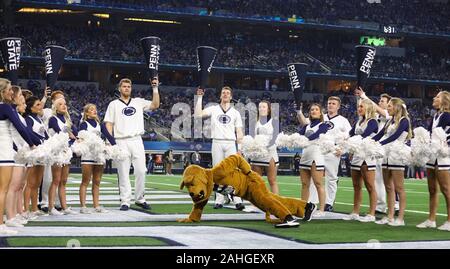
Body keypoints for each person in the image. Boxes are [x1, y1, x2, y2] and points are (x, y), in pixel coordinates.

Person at [104, 77, 160, 211]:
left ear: (131, 88)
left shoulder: (138, 102)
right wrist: (109, 142)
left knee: (141, 170)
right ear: (119, 89)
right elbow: (108, 124)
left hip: (136, 140)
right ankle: (125, 201)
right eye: (124, 86)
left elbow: (155, 105)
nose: (126, 88)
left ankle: (140, 198)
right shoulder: (113, 104)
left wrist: (155, 88)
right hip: (121, 140)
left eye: (128, 86)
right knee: (123, 172)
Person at [194, 86, 245, 210]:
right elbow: (198, 114)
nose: (226, 94)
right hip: (216, 142)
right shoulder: (214, 109)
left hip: (231, 143)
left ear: (231, 97)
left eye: (228, 93)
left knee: (233, 172)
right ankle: (219, 200)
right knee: (217, 172)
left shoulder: (235, 112)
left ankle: (237, 199)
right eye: (223, 93)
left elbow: (239, 132)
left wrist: (240, 149)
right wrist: (200, 97)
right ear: (220, 96)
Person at [297, 97, 351, 211]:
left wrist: (343, 149)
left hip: (332, 151)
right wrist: (299, 112)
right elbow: (306, 124)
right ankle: (312, 202)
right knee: (314, 178)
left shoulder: (343, 120)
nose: (330, 105)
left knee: (331, 177)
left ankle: (329, 203)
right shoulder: (321, 116)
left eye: (333, 103)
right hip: (317, 151)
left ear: (338, 106)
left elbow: (349, 136)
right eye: (329, 103)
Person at [0, 79, 37, 235]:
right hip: (4, 150)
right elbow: (20, 128)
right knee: (4, 189)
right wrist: (32, 144)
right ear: (2, 91)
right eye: (9, 89)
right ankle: (1, 224)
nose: (11, 92)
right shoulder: (5, 108)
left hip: (4, 150)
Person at [373, 97, 412, 226]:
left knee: (399, 188)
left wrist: (380, 143)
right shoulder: (390, 120)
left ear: (396, 107)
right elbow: (380, 134)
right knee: (388, 187)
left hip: (397, 154)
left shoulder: (404, 120)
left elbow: (395, 136)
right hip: (386, 154)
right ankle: (389, 216)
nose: (387, 108)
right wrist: (369, 141)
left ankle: (400, 218)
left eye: (390, 106)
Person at [417, 91, 450, 231]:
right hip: (432, 155)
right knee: (432, 189)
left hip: (442, 156)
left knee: (446, 189)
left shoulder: (448, 116)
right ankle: (431, 219)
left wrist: (445, 145)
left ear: (444, 101)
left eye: (437, 97)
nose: (434, 98)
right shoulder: (436, 115)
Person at [343, 99, 378, 222]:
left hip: (367, 156)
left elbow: (365, 135)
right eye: (358, 107)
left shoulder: (373, 121)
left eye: (362, 106)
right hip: (357, 156)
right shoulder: (358, 122)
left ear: (368, 107)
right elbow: (349, 135)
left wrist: (351, 143)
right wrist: (345, 144)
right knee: (356, 185)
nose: (359, 109)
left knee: (369, 185)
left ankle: (371, 214)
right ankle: (355, 212)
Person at [78, 103, 117, 214]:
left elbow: (109, 136)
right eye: (91, 109)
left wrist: (116, 147)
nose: (94, 111)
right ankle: (83, 206)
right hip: (88, 155)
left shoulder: (100, 124)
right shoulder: (83, 124)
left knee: (97, 181)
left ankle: (96, 205)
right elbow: (81, 137)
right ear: (86, 113)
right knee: (85, 181)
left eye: (95, 109)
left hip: (99, 155)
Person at [47, 97, 78, 215]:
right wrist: (70, 132)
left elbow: (75, 132)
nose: (64, 106)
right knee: (56, 180)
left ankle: (64, 207)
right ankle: (51, 207)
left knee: (63, 181)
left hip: (66, 151)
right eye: (60, 104)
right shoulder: (53, 119)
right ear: (55, 107)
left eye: (65, 104)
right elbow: (61, 133)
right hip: (57, 152)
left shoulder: (66, 119)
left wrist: (69, 121)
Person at [298, 103, 329, 216]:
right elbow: (298, 136)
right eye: (312, 110)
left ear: (320, 112)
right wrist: (290, 139)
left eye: (316, 109)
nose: (314, 111)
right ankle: (302, 207)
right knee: (305, 184)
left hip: (316, 155)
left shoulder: (324, 125)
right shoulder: (306, 126)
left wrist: (304, 139)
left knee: (318, 183)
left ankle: (321, 209)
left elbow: (317, 134)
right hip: (305, 154)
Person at [23, 96, 48, 220]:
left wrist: (49, 143)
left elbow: (46, 135)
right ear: (31, 107)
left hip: (41, 153)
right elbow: (28, 132)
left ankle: (34, 208)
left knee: (37, 183)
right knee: (30, 183)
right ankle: (25, 209)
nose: (41, 106)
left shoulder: (39, 119)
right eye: (38, 104)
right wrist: (40, 142)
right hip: (33, 152)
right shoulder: (28, 119)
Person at [39, 90, 64, 213]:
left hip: (61, 147)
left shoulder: (64, 114)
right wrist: (44, 97)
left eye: (63, 99)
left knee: (59, 178)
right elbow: (38, 109)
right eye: (59, 99)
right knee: (48, 177)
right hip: (49, 145)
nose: (62, 101)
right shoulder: (48, 111)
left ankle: (57, 202)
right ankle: (44, 202)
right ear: (53, 100)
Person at [249, 101, 279, 195]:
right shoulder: (254, 122)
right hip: (257, 155)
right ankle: (257, 203)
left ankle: (275, 203)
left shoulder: (274, 121)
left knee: (272, 180)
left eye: (264, 107)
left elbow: (275, 137)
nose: (261, 109)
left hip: (270, 153)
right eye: (260, 107)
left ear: (268, 109)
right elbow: (251, 137)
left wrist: (265, 146)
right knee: (257, 181)